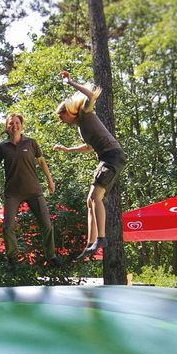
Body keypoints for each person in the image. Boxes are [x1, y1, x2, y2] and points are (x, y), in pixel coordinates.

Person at [52, 70, 126, 260]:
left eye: (61, 118)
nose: (61, 122)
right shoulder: (81, 127)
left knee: (95, 197)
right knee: (90, 200)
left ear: (68, 113)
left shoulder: (85, 113)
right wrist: (68, 150)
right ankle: (90, 244)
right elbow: (88, 147)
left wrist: (70, 82)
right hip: (107, 157)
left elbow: (91, 95)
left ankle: (101, 238)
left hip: (112, 157)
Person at [0, 113, 61, 267]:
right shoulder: (3, 147)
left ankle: (51, 255)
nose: (14, 125)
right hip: (12, 193)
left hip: (34, 190)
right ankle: (13, 257)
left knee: (47, 224)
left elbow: (42, 163)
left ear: (21, 125)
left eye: (17, 122)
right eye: (11, 123)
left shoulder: (31, 143)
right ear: (7, 126)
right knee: (8, 227)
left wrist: (50, 181)